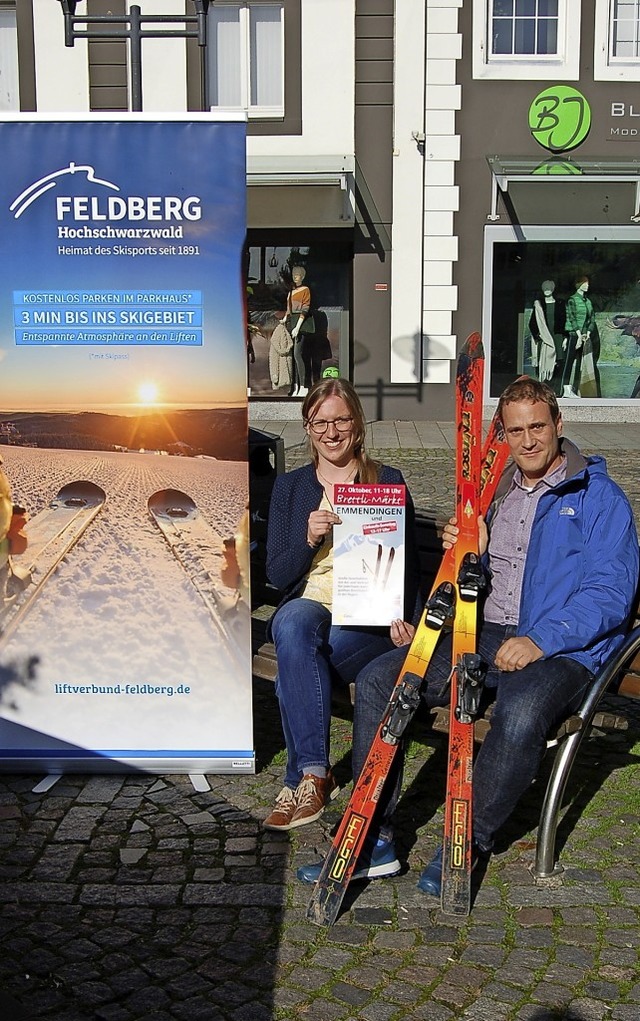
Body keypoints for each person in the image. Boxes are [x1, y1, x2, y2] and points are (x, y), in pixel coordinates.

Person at [298, 377, 639, 892]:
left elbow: (609, 591)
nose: (527, 441)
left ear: (558, 426)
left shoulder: (598, 497)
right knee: (377, 680)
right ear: (502, 433)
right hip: (479, 630)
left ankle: (468, 841)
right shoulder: (496, 490)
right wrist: (466, 550)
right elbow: (469, 570)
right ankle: (376, 836)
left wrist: (541, 640)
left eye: (537, 427)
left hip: (561, 649)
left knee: (520, 713)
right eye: (515, 430)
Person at [263, 378, 419, 832]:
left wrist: (404, 616)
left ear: (358, 424)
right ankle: (315, 771)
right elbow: (278, 575)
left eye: (341, 420)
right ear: (307, 427)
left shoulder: (386, 480)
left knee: (296, 660)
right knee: (292, 622)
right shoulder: (291, 488)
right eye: (320, 422)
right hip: (312, 604)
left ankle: (302, 779)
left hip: (365, 616)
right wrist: (307, 538)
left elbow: (404, 560)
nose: (331, 432)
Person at [561, 275, 595, 398]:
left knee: (580, 364)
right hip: (573, 334)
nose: (587, 285)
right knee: (569, 362)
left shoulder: (588, 301)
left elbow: (591, 318)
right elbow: (572, 318)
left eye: (588, 283)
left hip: (584, 335)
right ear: (578, 285)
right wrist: (579, 335)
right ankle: (566, 389)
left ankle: (575, 389)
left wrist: (588, 333)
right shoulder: (572, 300)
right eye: (585, 283)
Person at [285, 265, 315, 398]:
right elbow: (288, 309)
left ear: (302, 276)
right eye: (293, 274)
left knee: (298, 354)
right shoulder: (291, 291)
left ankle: (304, 386)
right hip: (292, 323)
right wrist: (285, 318)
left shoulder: (305, 290)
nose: (294, 276)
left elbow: (305, 308)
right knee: (294, 355)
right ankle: (297, 386)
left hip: (300, 325)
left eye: (297, 274)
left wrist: (298, 327)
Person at [528, 280, 563, 391]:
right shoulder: (538, 305)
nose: (547, 291)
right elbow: (532, 323)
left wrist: (565, 337)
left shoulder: (560, 304)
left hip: (557, 337)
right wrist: (538, 336)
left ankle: (556, 391)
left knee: (558, 363)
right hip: (543, 339)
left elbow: (563, 321)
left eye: (549, 288)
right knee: (542, 364)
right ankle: (542, 390)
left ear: (553, 289)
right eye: (545, 288)